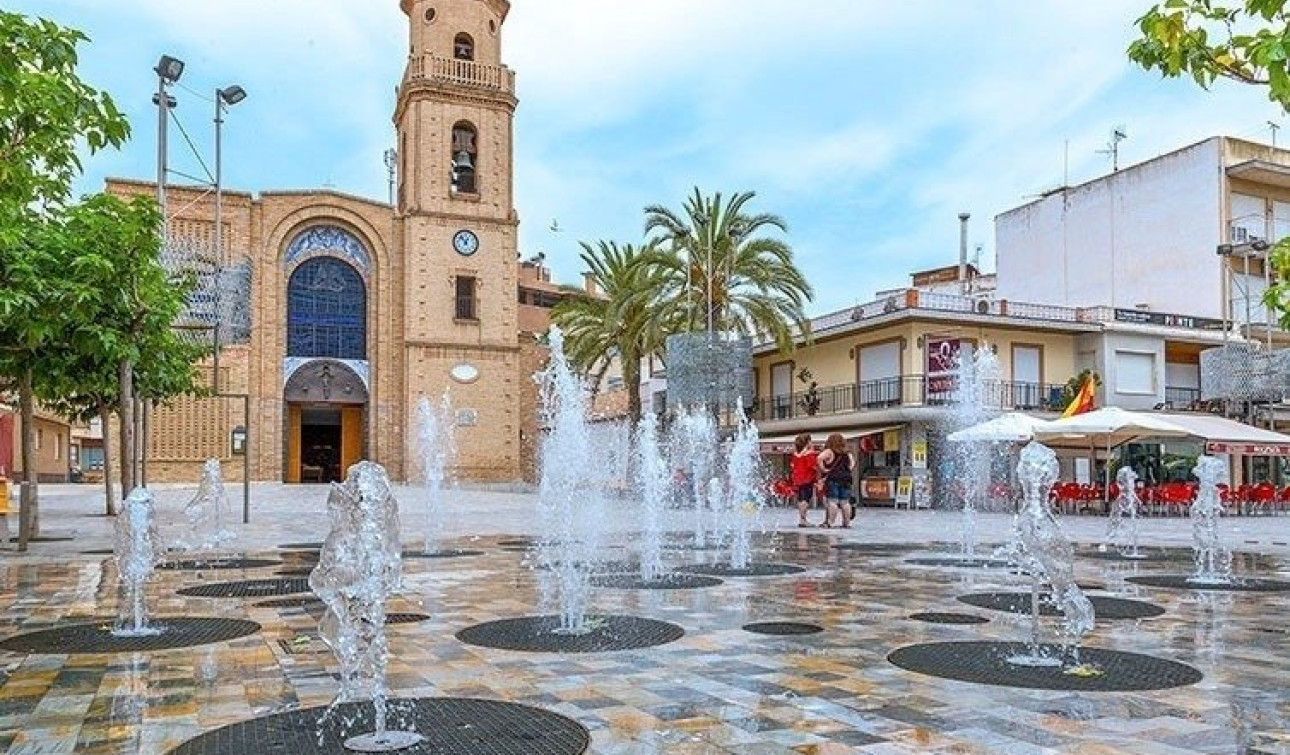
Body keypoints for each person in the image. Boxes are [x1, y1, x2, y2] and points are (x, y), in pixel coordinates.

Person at [818, 433, 854, 528]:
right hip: (846, 479)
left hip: (833, 478)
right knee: (845, 502)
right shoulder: (847, 453)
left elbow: (819, 458)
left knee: (832, 501)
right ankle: (847, 523)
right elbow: (852, 464)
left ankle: (830, 522)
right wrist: (847, 470)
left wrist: (823, 469)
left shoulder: (829, 451)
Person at [789, 434, 820, 527]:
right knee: (805, 499)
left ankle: (802, 519)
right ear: (807, 442)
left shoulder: (795, 454)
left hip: (797, 479)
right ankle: (803, 520)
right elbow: (813, 466)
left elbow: (792, 466)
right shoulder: (809, 454)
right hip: (807, 478)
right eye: (810, 441)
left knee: (800, 498)